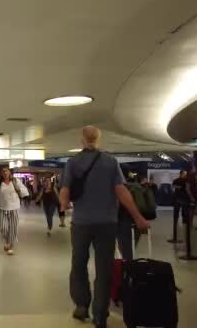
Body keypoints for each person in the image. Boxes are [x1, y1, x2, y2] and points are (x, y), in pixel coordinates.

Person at [59, 126, 149, 328]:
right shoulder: (110, 162)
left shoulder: (72, 162)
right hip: (107, 224)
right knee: (104, 269)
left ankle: (82, 305)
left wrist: (63, 205)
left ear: (82, 140)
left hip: (81, 223)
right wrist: (138, 216)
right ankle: (100, 315)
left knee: (79, 264)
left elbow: (64, 190)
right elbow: (121, 191)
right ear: (98, 139)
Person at [0, 167, 23, 255]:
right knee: (3, 227)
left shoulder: (15, 181)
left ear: (10, 172)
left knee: (13, 228)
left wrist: (19, 191)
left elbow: (21, 191)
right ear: (1, 173)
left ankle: (10, 245)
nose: (5, 172)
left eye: (6, 171)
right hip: (2, 208)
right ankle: (7, 241)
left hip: (14, 207)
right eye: (3, 171)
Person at [170, 170, 193, 243]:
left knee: (176, 216)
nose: (186, 175)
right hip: (184, 199)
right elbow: (187, 189)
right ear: (181, 174)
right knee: (185, 216)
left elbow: (173, 186)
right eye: (185, 174)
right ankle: (185, 233)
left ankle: (177, 234)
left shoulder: (176, 180)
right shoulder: (186, 180)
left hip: (177, 199)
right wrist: (191, 197)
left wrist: (178, 187)